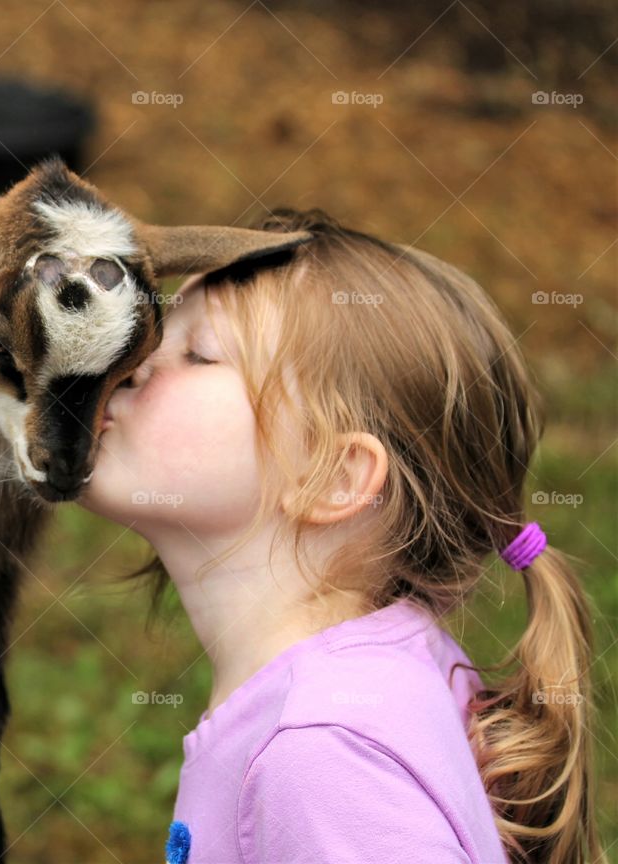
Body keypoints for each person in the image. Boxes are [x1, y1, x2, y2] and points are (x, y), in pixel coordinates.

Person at [79, 208, 599, 863]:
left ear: (332, 476)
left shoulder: (322, 753)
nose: (131, 363)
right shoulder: (379, 681)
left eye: (196, 353)